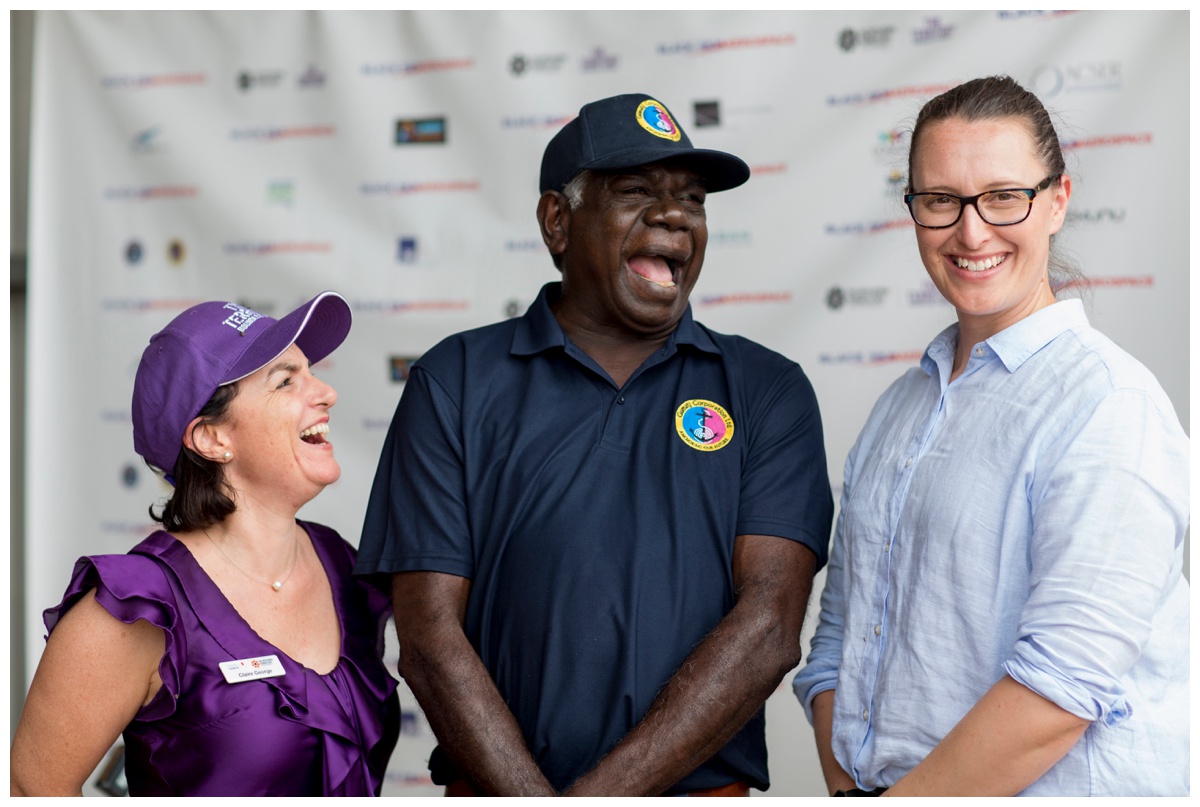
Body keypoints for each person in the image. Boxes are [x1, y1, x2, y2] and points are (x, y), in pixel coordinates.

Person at [355, 93, 833, 796]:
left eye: (692, 199)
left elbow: (768, 628)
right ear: (558, 221)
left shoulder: (766, 390)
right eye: (636, 191)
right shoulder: (454, 382)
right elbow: (427, 639)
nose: (673, 215)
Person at [792, 75, 1189, 796]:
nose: (971, 232)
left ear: (1057, 201)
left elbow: (1062, 685)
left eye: (1005, 196)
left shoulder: (1108, 404)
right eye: (940, 201)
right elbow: (837, 646)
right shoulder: (898, 408)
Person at [10, 293, 401, 796]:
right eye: (285, 380)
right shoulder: (137, 609)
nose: (326, 392)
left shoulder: (343, 563)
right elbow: (31, 790)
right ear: (212, 439)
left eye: (311, 372)